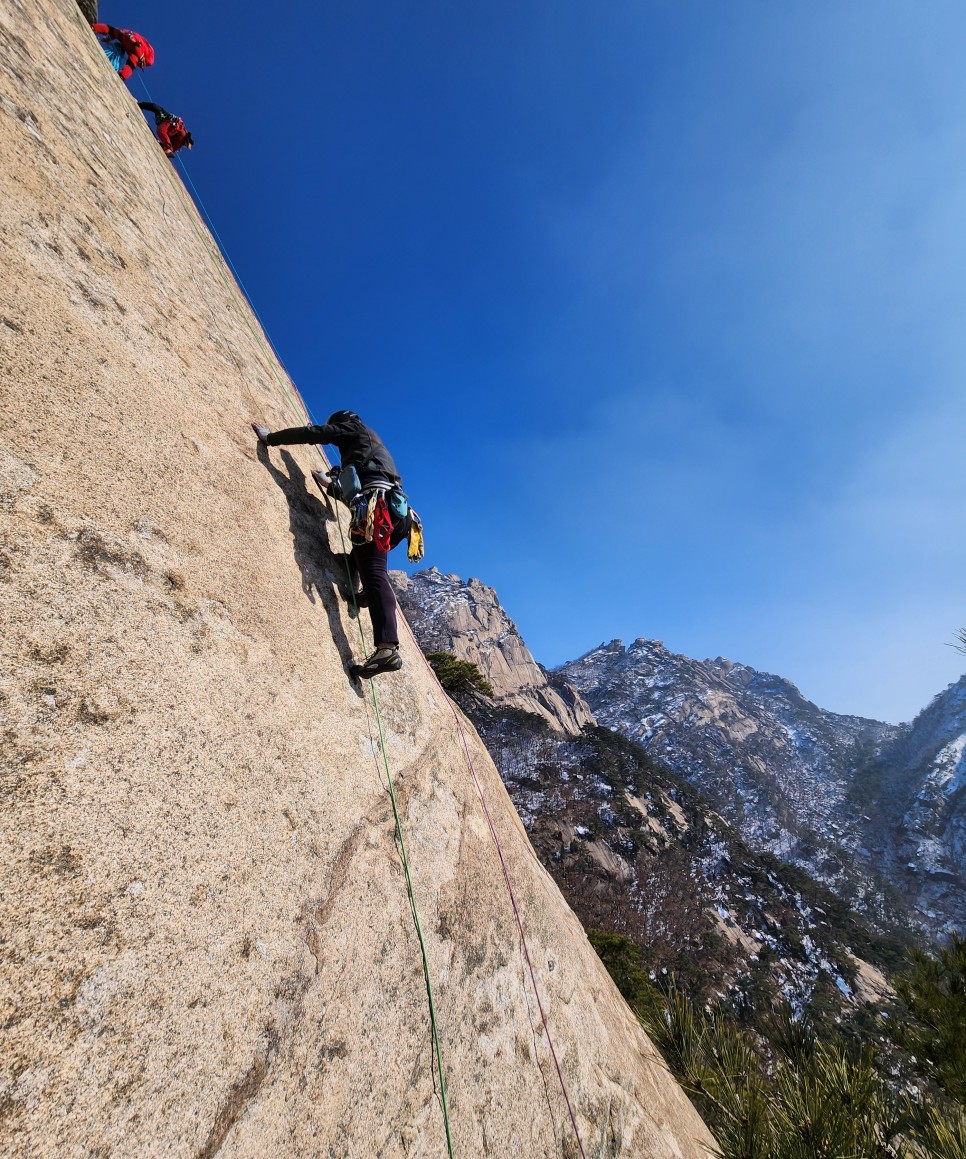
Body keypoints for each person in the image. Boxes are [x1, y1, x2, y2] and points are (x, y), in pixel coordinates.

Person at [252, 411, 413, 679]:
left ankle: (387, 647)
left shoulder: (354, 429)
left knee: (374, 572)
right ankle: (363, 596)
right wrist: (330, 485)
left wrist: (271, 438)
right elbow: (358, 487)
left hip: (378, 510)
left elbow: (314, 434)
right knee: (363, 561)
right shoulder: (372, 446)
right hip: (397, 516)